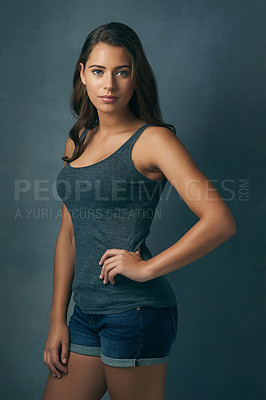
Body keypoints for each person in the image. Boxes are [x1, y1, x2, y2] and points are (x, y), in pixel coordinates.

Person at [42, 22, 236, 400]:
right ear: (82, 74)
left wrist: (147, 268)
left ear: (135, 77)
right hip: (85, 314)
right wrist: (56, 321)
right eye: (98, 71)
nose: (109, 84)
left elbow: (220, 221)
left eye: (122, 72)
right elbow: (68, 234)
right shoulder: (78, 138)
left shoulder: (154, 141)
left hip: (135, 314)